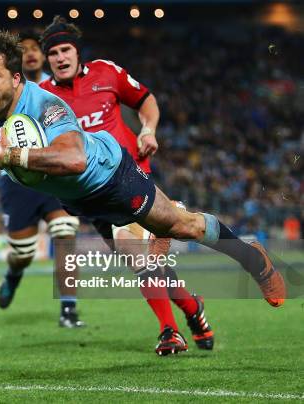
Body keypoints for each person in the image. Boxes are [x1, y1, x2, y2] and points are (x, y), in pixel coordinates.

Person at [0, 32, 286, 354]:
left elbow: (75, 159)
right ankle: (179, 322)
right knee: (139, 260)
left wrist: (17, 157)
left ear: (17, 78)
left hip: (111, 173)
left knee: (181, 226)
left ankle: (250, 258)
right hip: (78, 200)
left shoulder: (44, 104)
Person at [39, 16, 213, 354]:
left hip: (129, 175)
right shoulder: (42, 97)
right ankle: (193, 309)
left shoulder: (107, 72)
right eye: (53, 54)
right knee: (145, 262)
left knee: (138, 254)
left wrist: (148, 130)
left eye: (65, 50)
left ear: (77, 53)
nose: (60, 58)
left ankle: (169, 332)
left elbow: (146, 100)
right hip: (89, 191)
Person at [0, 30, 83, 328]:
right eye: (25, 49)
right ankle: (14, 273)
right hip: (18, 178)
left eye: (36, 48)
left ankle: (69, 308)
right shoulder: (4, 88)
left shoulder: (58, 87)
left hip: (54, 173)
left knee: (64, 231)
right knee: (23, 252)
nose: (31, 53)